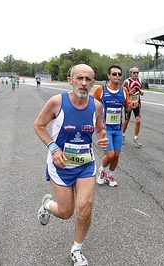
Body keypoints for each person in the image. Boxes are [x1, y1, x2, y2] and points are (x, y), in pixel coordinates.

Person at [33, 64, 109, 266]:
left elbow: (101, 130)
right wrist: (53, 148)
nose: (83, 83)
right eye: (79, 78)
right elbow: (38, 125)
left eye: (88, 79)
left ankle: (77, 249)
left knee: (84, 208)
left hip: (86, 164)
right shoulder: (57, 102)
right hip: (61, 165)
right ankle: (48, 205)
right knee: (66, 212)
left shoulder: (97, 106)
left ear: (93, 83)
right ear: (70, 80)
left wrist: (103, 138)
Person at [92, 65, 139, 186]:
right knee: (110, 154)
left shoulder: (123, 91)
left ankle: (110, 175)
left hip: (118, 128)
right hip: (105, 128)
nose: (117, 76)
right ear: (109, 76)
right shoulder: (100, 90)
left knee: (117, 155)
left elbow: (127, 107)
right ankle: (102, 170)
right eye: (114, 74)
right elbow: (91, 105)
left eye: (119, 74)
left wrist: (131, 106)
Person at [122, 66, 144, 147]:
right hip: (129, 104)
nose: (136, 74)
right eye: (134, 72)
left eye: (137, 72)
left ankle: (135, 138)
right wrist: (129, 93)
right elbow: (121, 93)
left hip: (137, 103)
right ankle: (123, 135)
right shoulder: (127, 82)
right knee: (127, 121)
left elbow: (137, 89)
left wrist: (140, 92)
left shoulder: (139, 81)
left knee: (138, 120)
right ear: (130, 73)